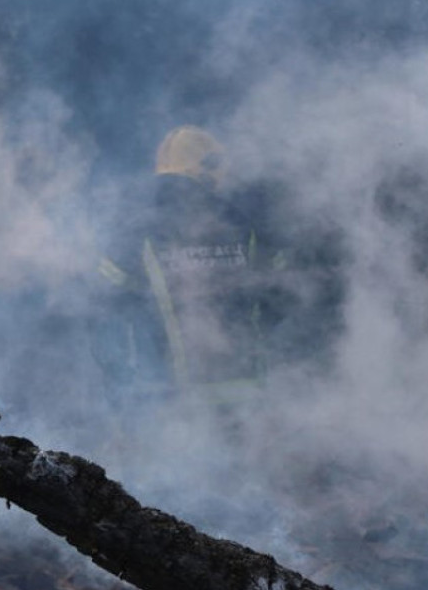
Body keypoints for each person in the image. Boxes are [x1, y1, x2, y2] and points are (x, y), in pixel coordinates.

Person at [92, 126, 288, 420]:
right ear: (206, 164)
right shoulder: (243, 219)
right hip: (247, 397)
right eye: (219, 164)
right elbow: (280, 290)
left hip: (167, 399)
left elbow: (103, 303)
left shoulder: (134, 223)